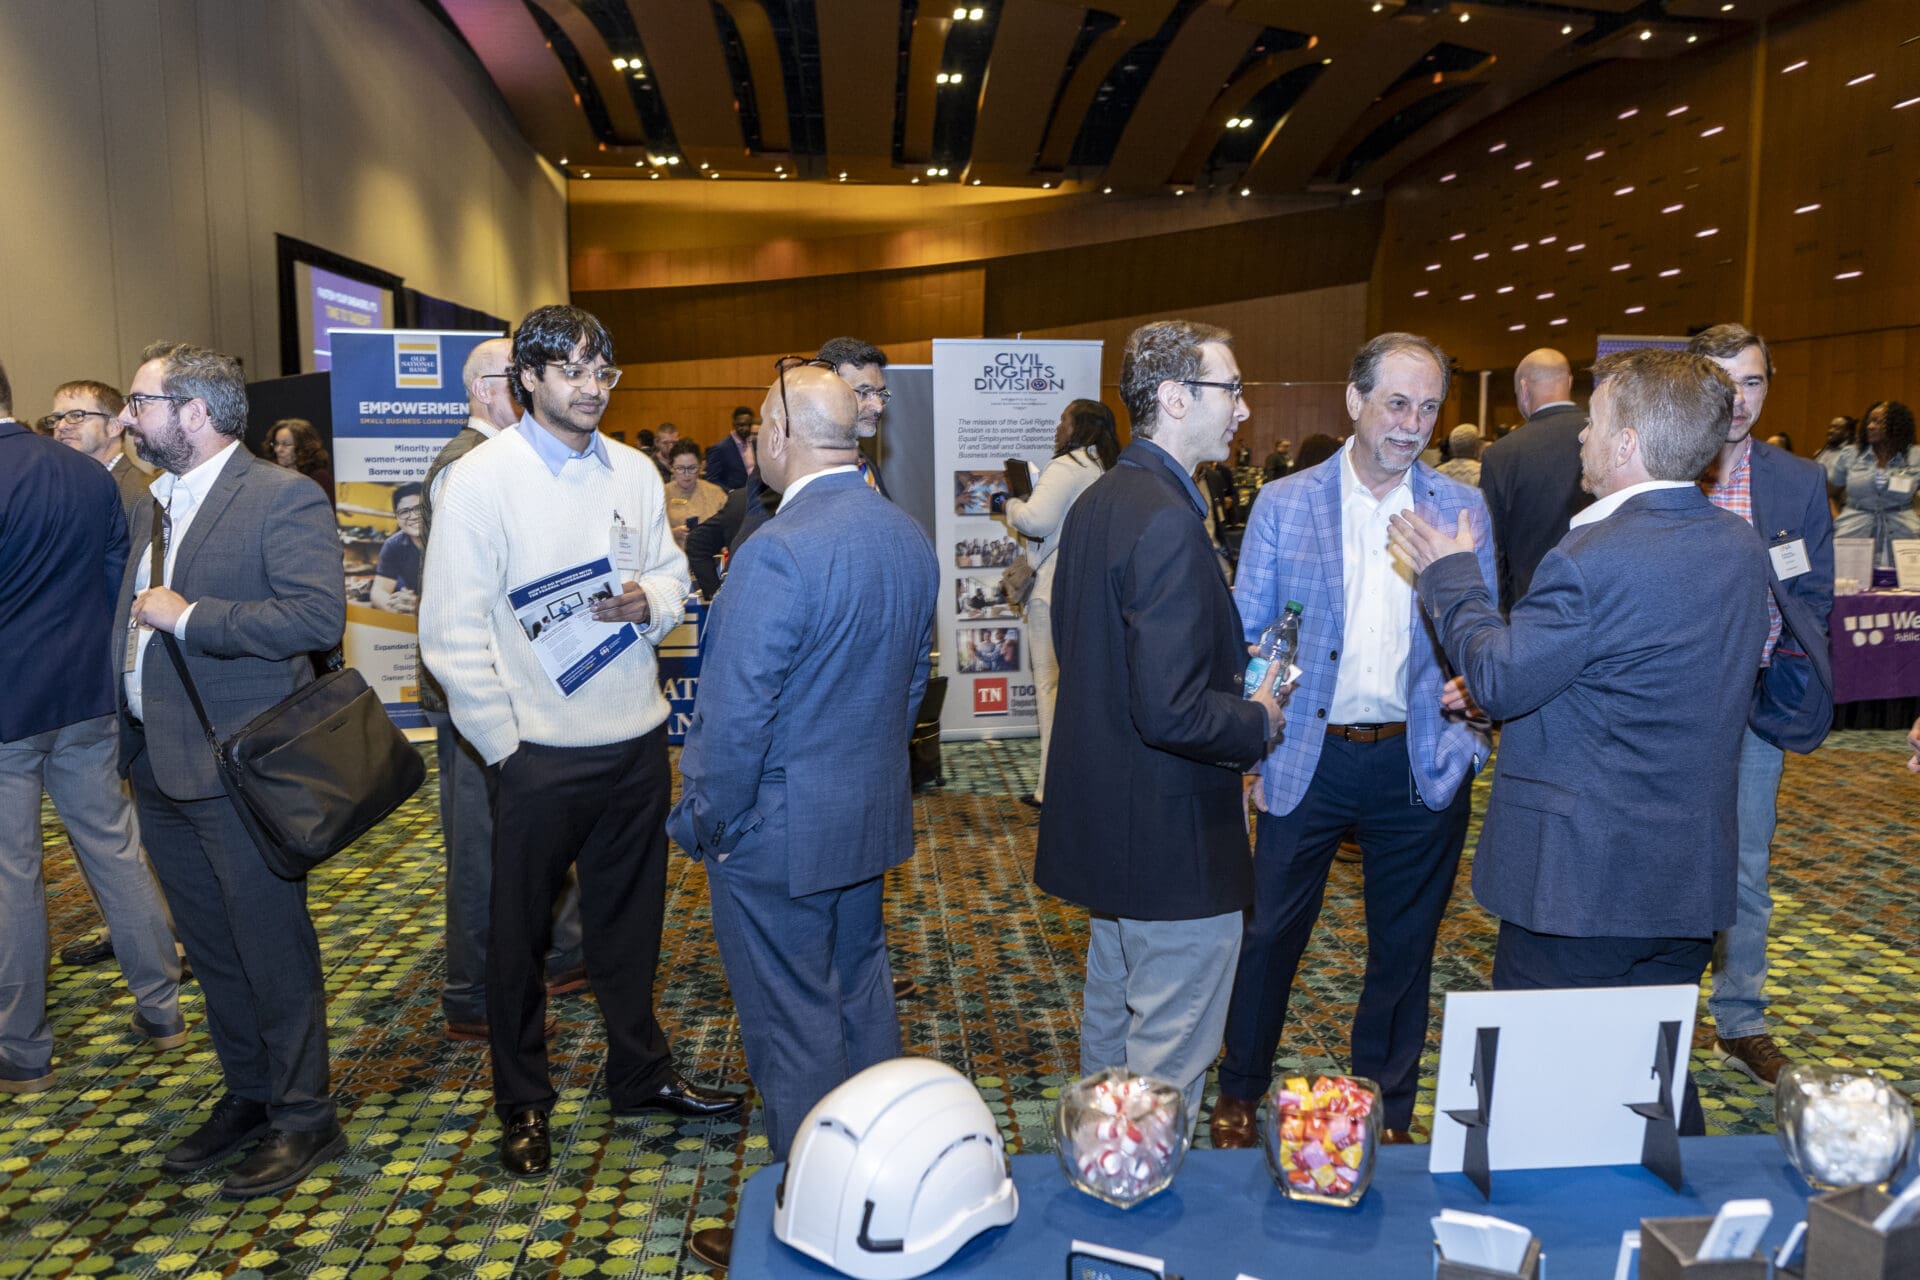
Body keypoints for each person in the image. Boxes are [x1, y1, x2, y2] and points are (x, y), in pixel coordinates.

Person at [1388, 347, 1770, 1136]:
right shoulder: (1736, 545)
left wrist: (1451, 575)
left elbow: (1500, 678)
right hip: (1683, 878)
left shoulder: (1592, 560)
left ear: (1627, 444)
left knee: (1544, 1109)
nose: (1581, 440)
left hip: (1580, 883)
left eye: (1593, 424)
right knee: (1649, 1086)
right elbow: (1637, 679)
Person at [419, 305, 740, 1179]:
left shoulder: (633, 470)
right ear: (527, 378)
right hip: (533, 753)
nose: (592, 388)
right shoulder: (479, 480)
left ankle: (640, 1074)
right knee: (517, 938)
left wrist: (651, 601)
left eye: (603, 372)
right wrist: (506, 748)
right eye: (572, 371)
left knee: (630, 927)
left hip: (635, 740)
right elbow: (448, 635)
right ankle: (522, 1100)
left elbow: (670, 574)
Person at [669, 362, 937, 1271]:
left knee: (794, 1029)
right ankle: (874, 1198)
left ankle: (811, 1225)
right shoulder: (905, 534)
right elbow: (909, 687)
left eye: (757, 433)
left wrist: (709, 822)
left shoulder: (778, 549)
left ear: (778, 436)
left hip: (773, 834)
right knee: (860, 1002)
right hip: (864, 817)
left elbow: (733, 719)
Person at [1210, 332, 1494, 1150]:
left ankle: (1387, 1107)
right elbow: (1255, 632)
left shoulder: (1459, 507)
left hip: (1418, 757)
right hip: (1307, 752)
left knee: (1404, 950)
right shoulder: (1285, 503)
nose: (1411, 424)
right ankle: (1240, 1089)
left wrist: (1472, 707)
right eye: (1396, 403)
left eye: (1427, 407)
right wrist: (1253, 751)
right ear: (1354, 400)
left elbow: (1483, 629)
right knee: (1269, 935)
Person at [1035, 319, 1288, 1133]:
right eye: (1231, 389)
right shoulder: (1167, 517)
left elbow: (1098, 660)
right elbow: (1171, 708)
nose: (1243, 409)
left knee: (1109, 1048)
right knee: (1164, 1072)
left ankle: (1097, 1179)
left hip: (1117, 834)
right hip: (1174, 846)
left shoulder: (1102, 499)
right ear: (1176, 397)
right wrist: (1257, 719)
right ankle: (1138, 1199)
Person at [114, 340, 347, 1196]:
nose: (128, 418)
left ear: (195, 412)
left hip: (239, 766)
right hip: (158, 762)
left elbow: (315, 617)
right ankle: (249, 1093)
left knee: (270, 948)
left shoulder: (279, 495)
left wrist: (191, 617)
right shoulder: (151, 503)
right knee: (213, 950)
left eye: (141, 402)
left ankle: (305, 1116)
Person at [2, 359, 186, 1097]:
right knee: (114, 848)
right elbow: (118, 587)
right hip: (87, 695)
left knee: (12, 874)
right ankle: (163, 1008)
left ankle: (23, 1050)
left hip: (8, 710)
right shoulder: (87, 476)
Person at [416, 337, 587, 1044]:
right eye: (520, 376)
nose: (533, 387)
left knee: (534, 829)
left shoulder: (507, 458)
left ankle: (565, 951)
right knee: (481, 846)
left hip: (520, 683)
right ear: (489, 388)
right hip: (477, 690)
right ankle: (472, 994)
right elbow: (464, 598)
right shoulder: (466, 466)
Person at [1690, 323, 1835, 1086]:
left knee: (1746, 867)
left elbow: (1812, 596)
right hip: (1668, 705)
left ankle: (1741, 1020)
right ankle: (1653, 1013)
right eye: (1722, 384)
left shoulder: (1799, 481)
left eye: (1751, 382)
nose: (1738, 400)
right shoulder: (1662, 463)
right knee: (1662, 859)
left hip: (1754, 706)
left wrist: (1783, 682)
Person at [1003, 398, 1119, 808]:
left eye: (1063, 421)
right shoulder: (1109, 469)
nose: (1057, 428)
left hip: (1053, 590)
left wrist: (1009, 504)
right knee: (1087, 692)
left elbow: (1036, 521)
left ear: (1078, 427)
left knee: (1049, 688)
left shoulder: (1067, 466)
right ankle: (1088, 781)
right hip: (1095, 592)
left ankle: (1050, 787)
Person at [1480, 347, 1591, 612]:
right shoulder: (1607, 439)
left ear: (1523, 388)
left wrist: (1501, 612)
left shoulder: (1501, 454)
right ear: (1570, 382)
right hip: (1603, 605)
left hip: (1530, 608)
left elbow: (1492, 547)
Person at [1827, 400, 1920, 567]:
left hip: (1903, 534)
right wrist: (1837, 519)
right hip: (1853, 532)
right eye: (1869, 421)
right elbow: (1828, 494)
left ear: (1896, 425)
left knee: (1903, 582)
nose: (1870, 426)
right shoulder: (1851, 454)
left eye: (1877, 421)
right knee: (1851, 581)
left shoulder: (1915, 456)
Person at [51, 380, 150, 526]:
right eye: (57, 418)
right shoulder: (54, 492)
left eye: (76, 415)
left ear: (114, 427)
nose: (61, 426)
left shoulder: (142, 494)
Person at [817, 337, 893, 497]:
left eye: (880, 393)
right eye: (864, 392)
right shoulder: (791, 470)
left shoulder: (864, 460)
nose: (878, 407)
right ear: (826, 391)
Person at [369, 483, 426, 612]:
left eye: (419, 508)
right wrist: (397, 608)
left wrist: (420, 606)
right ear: (397, 518)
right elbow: (379, 591)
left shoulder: (450, 539)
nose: (413, 516)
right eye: (404, 512)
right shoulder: (393, 544)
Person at [663, 440, 726, 547]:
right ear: (671, 468)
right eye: (680, 468)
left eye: (692, 468)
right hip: (673, 553)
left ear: (701, 467)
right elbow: (648, 533)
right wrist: (672, 534)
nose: (686, 474)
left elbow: (728, 527)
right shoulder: (662, 494)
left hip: (709, 552)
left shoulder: (716, 493)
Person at [266, 417, 336, 505]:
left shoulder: (319, 478)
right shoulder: (273, 477)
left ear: (304, 447)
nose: (278, 449)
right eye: (276, 444)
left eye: (286, 444)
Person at [704, 405, 755, 491]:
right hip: (732, 496)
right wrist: (731, 493)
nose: (746, 428)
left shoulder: (755, 444)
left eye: (749, 425)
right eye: (741, 425)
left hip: (755, 495)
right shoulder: (719, 449)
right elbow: (712, 480)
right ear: (733, 424)